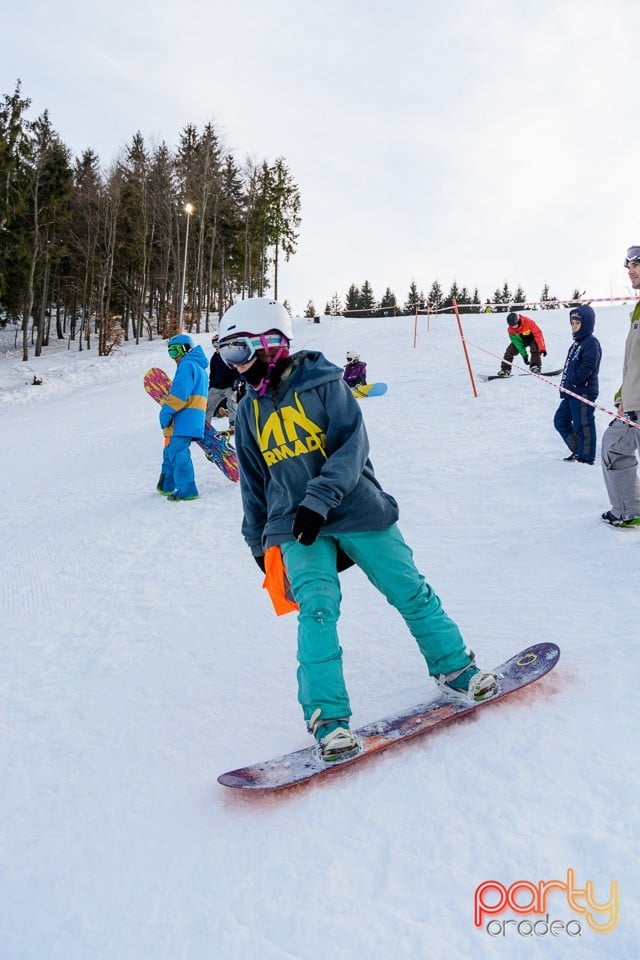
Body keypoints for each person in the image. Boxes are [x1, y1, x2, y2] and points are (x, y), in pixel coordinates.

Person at [217, 297, 498, 763]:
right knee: (317, 609)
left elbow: (351, 449)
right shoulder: (248, 411)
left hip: (355, 507)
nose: (236, 366)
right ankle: (329, 722)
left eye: (239, 351)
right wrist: (257, 539)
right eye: (226, 355)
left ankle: (456, 670)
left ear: (271, 343)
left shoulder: (325, 384)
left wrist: (318, 501)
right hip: (293, 526)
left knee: (409, 589)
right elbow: (254, 482)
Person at [600, 245, 640, 527]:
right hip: (633, 400)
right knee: (614, 447)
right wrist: (621, 395)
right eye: (628, 267)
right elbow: (633, 360)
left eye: (636, 265)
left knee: (614, 447)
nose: (630, 272)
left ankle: (629, 510)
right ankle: (629, 509)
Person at [157, 333, 208, 502]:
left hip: (184, 417)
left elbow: (179, 395)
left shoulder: (187, 366)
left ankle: (187, 491)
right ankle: (166, 485)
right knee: (171, 450)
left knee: (179, 452)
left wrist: (165, 412)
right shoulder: (198, 367)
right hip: (191, 417)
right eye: (170, 352)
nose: (174, 357)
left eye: (176, 351)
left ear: (186, 349)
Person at [553, 305, 602, 465]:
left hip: (583, 391)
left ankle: (586, 456)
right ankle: (578, 449)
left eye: (577, 323)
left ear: (586, 324)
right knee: (560, 420)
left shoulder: (591, 343)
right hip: (571, 393)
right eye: (572, 323)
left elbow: (588, 366)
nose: (573, 327)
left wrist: (574, 380)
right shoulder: (576, 344)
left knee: (583, 424)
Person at [496, 311, 547, 377]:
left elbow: (538, 334)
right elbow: (517, 343)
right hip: (522, 340)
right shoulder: (511, 329)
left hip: (532, 339)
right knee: (509, 350)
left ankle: (535, 366)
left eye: (514, 325)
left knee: (534, 347)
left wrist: (542, 348)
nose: (513, 327)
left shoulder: (528, 322)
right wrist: (524, 356)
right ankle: (505, 369)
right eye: (511, 326)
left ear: (518, 321)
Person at [207, 333, 240, 430]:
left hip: (229, 385)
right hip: (216, 386)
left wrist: (235, 383)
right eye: (214, 345)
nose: (216, 348)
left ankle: (233, 423)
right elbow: (212, 373)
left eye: (218, 345)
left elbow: (236, 371)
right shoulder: (214, 358)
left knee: (232, 403)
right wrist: (211, 385)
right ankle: (205, 424)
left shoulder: (228, 356)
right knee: (209, 405)